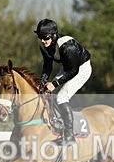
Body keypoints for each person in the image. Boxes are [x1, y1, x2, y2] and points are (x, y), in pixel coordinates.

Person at [35, 18, 92, 146]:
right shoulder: (45, 46)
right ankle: (57, 122)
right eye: (41, 38)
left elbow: (73, 71)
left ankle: (69, 136)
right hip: (68, 68)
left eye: (46, 38)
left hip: (81, 69)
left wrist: (54, 84)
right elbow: (47, 66)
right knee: (45, 91)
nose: (43, 41)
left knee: (61, 97)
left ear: (54, 35)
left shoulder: (68, 46)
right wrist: (42, 81)